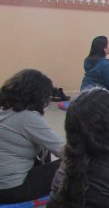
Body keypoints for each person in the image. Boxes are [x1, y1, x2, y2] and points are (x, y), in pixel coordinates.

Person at [0, 69, 64, 203]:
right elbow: (64, 151)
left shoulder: (5, 110)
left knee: (43, 149)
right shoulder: (27, 117)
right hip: (11, 189)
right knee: (78, 163)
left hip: (5, 184)